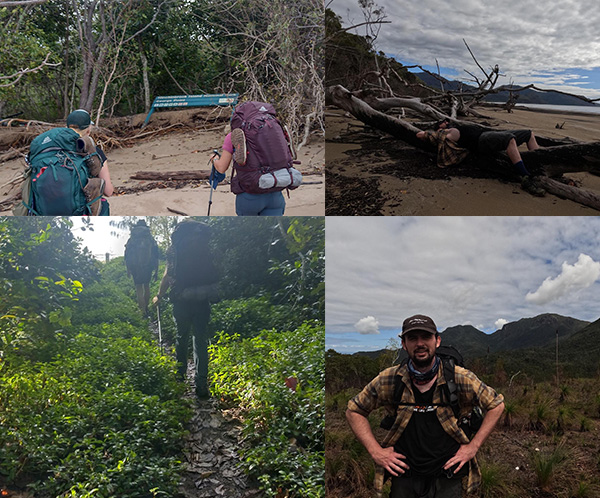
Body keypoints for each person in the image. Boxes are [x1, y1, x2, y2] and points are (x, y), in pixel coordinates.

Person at [346, 314, 505, 498]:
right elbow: (354, 411)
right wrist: (376, 452)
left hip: (448, 473)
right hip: (404, 474)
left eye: (426, 337)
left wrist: (473, 447)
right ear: (404, 344)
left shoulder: (459, 378)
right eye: (412, 338)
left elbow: (496, 405)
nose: (420, 343)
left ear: (437, 341)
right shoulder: (389, 379)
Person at [152, 219, 219, 398]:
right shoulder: (204, 245)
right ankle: (201, 383)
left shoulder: (174, 249)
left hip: (181, 298)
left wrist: (159, 295)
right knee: (200, 339)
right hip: (203, 298)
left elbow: (167, 274)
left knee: (182, 336)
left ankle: (180, 375)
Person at [416, 118, 545, 197]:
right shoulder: (442, 134)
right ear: (439, 127)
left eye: (446, 121)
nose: (446, 122)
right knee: (509, 139)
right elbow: (419, 135)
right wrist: (435, 132)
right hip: (481, 141)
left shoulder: (452, 128)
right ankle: (525, 178)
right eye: (443, 122)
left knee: (529, 133)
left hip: (488, 134)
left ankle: (542, 164)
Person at [210, 127, 287, 216]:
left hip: (249, 195)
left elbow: (221, 168)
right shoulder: (274, 132)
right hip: (275, 194)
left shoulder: (233, 136)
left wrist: (214, 159)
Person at [66, 109, 114, 214]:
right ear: (88, 131)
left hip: (56, 207)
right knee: (104, 204)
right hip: (82, 210)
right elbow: (108, 191)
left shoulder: (56, 151)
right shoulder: (95, 153)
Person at [124, 220, 159, 316]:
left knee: (138, 287)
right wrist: (156, 270)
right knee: (146, 286)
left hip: (135, 266)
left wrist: (128, 269)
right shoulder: (150, 238)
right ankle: (146, 307)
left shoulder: (132, 239)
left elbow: (127, 255)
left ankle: (142, 311)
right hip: (148, 265)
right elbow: (156, 255)